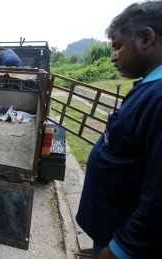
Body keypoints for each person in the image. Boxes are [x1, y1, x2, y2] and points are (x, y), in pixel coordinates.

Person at [76, 2, 162, 258]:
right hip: (111, 234)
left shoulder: (158, 98)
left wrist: (121, 249)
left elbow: (158, 197)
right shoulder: (148, 89)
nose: (113, 56)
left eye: (117, 46)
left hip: (121, 247)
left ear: (145, 38)